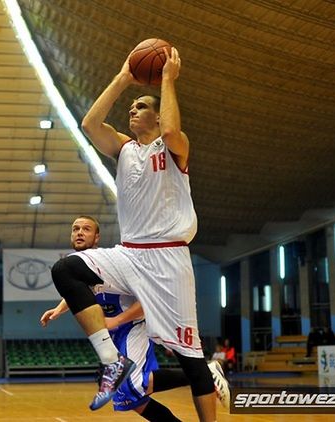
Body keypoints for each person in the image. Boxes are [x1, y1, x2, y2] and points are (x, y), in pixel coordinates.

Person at [51, 46, 218, 420]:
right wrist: (124, 77)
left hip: (169, 259)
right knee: (66, 270)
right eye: (132, 107)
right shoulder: (124, 149)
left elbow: (172, 128)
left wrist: (167, 79)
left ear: (157, 115)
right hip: (129, 255)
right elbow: (90, 125)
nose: (132, 110)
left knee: (192, 362)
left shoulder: (174, 147)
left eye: (141, 106)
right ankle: (112, 361)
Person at [42, 216, 230, 421]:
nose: (79, 232)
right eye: (75, 229)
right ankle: (202, 374)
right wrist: (59, 309)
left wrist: (117, 321)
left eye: (86, 229)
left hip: (133, 326)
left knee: (135, 385)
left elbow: (149, 301)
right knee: (130, 399)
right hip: (113, 333)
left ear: (97, 238)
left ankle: (203, 373)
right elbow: (79, 293)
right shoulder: (81, 269)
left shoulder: (115, 264)